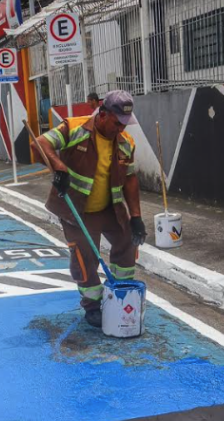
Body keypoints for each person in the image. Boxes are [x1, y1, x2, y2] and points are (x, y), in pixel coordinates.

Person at [34, 90, 147, 329]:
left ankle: (121, 293)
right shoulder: (75, 128)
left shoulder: (126, 143)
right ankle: (93, 304)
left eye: (125, 124)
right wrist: (59, 167)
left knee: (128, 241)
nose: (121, 129)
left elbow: (130, 179)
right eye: (117, 124)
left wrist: (136, 217)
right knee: (85, 256)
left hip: (110, 208)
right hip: (77, 210)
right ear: (103, 115)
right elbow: (41, 144)